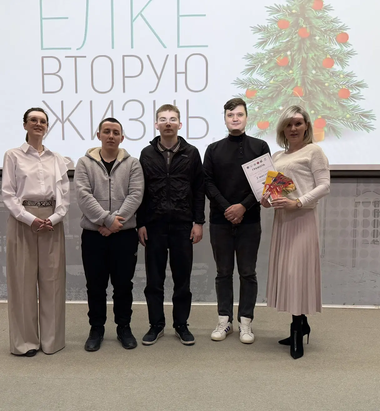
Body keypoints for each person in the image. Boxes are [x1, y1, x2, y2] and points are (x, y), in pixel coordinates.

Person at [260, 105, 330, 359]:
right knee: (288, 275)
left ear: (307, 126)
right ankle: (301, 323)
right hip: (283, 221)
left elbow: (324, 186)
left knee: (297, 273)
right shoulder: (278, 155)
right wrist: (267, 199)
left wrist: (298, 202)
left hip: (302, 219)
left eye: (298, 123)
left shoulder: (314, 151)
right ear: (282, 129)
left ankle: (298, 328)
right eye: (288, 124)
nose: (293, 128)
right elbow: (276, 189)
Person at [2, 107, 69, 357]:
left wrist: (54, 218)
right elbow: (8, 194)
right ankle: (25, 342)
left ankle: (52, 341)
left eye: (43, 121)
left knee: (53, 283)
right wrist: (29, 219)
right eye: (33, 120)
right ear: (25, 125)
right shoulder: (13, 155)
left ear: (47, 126)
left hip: (51, 222)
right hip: (23, 221)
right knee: (22, 282)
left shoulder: (57, 158)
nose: (38, 124)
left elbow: (64, 194)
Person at [203, 98, 270, 344]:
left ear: (246, 118)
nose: (235, 118)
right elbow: (207, 183)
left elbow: (265, 182)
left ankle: (246, 322)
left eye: (239, 115)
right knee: (223, 272)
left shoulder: (260, 147)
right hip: (220, 221)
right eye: (230, 115)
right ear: (224, 119)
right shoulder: (213, 149)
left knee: (247, 272)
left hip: (249, 220)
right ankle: (224, 321)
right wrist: (227, 208)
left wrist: (242, 207)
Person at [137, 104, 205, 346]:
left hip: (182, 225)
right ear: (156, 124)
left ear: (180, 124)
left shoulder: (192, 153)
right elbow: (140, 191)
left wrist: (199, 222)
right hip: (154, 224)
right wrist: (140, 223)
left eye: (172, 119)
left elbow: (199, 190)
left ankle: (181, 324)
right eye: (163, 119)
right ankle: (156, 325)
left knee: (182, 280)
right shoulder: (146, 153)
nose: (168, 123)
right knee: (154, 280)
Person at [74, 118, 144, 352]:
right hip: (94, 235)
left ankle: (124, 327)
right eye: (107, 131)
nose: (111, 136)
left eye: (116, 132)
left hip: (124, 235)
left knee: (123, 285)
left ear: (122, 138)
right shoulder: (84, 163)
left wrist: (114, 223)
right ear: (99, 135)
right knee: (95, 286)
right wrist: (106, 220)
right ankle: (96, 329)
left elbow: (135, 195)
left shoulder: (133, 164)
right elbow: (83, 195)